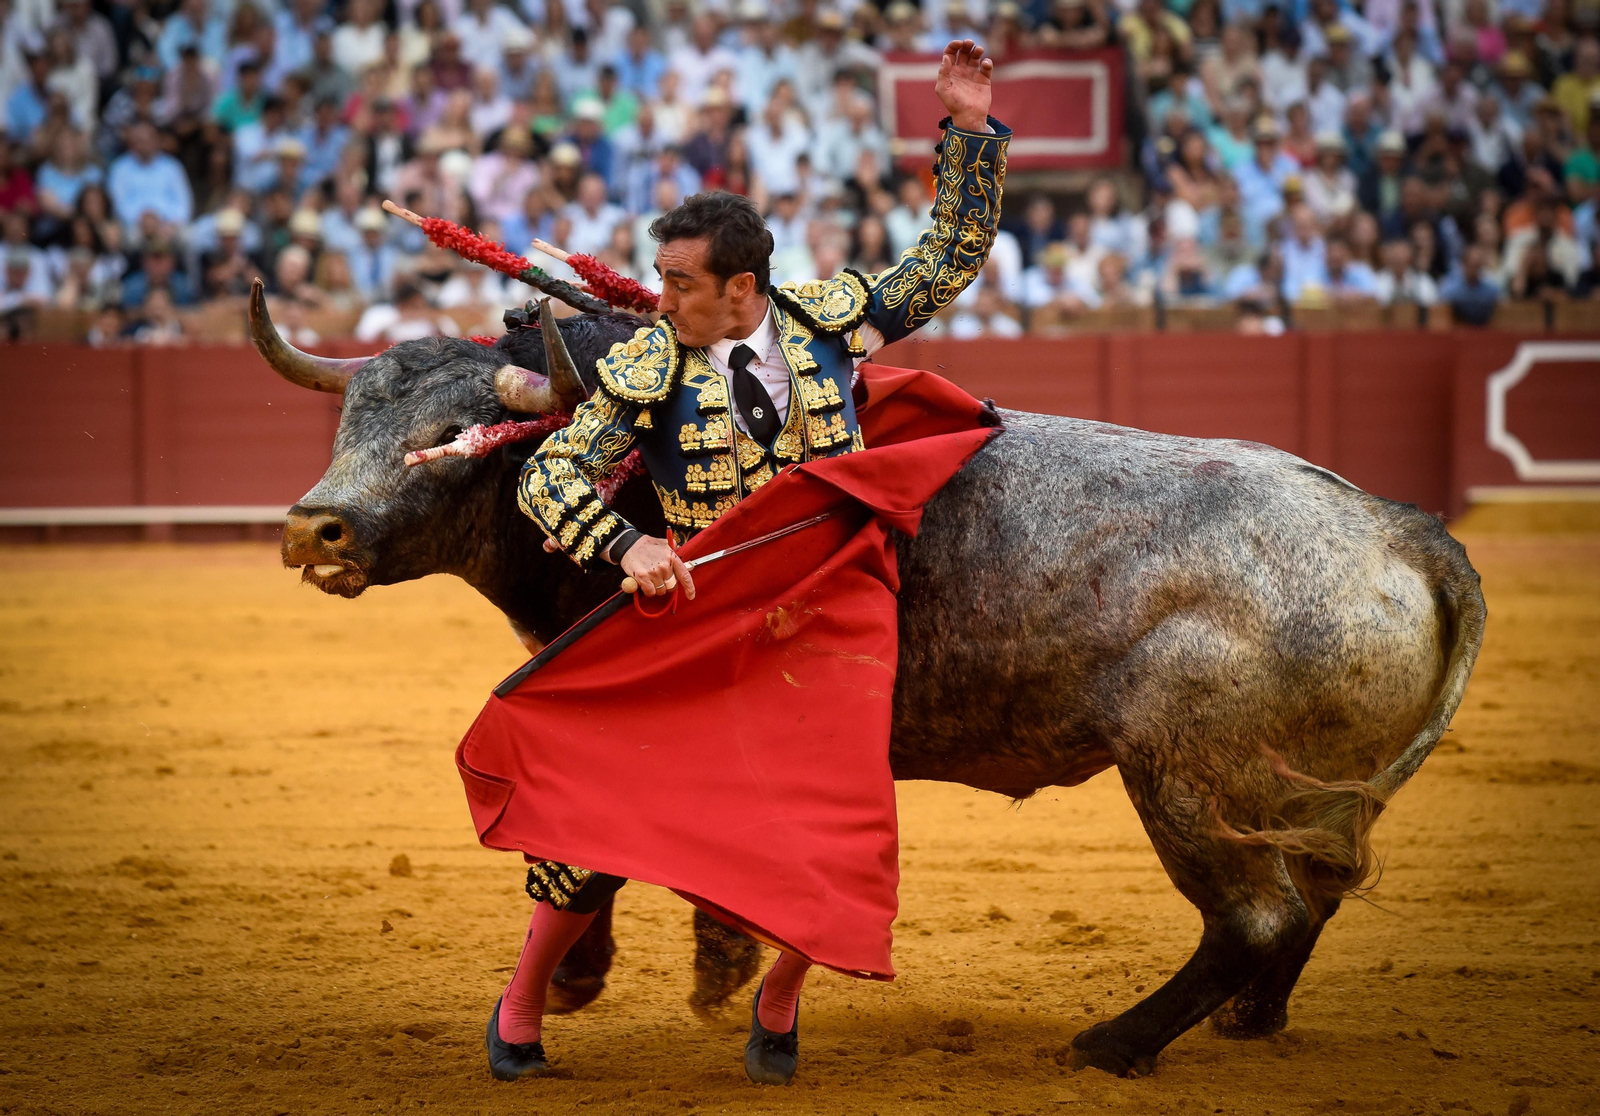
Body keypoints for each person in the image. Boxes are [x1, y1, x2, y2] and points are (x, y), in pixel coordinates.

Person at [500, 40, 1008, 1089]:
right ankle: (517, 1008)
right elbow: (548, 478)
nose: (660, 299)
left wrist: (963, 131)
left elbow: (947, 256)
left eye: (678, 283)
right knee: (602, 795)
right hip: (704, 607)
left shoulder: (831, 321)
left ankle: (777, 1002)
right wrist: (631, 541)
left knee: (825, 822)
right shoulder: (649, 364)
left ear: (741, 287)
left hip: (833, 607)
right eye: (660, 279)